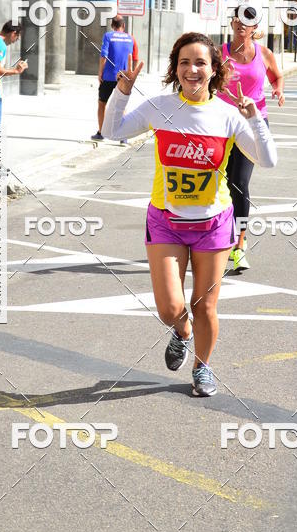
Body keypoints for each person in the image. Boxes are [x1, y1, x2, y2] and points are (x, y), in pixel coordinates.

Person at [102, 32, 277, 397]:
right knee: (170, 308)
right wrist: (122, 92)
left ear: (214, 69)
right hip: (166, 220)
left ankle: (203, 367)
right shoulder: (160, 107)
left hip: (212, 224)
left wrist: (255, 118)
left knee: (205, 305)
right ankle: (181, 332)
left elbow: (268, 160)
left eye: (200, 62)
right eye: (184, 62)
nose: (192, 69)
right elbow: (111, 131)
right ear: (175, 68)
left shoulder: (228, 115)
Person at [218, 4, 284, 272]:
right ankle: (214, 239)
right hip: (220, 124)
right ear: (232, 23)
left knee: (239, 183)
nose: (241, 24)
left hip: (253, 122)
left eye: (248, 21)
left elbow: (277, 77)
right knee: (217, 182)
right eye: (237, 18)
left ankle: (239, 245)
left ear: (255, 28)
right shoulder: (218, 54)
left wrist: (278, 91)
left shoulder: (264, 53)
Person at [92, 15, 139, 141]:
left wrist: (100, 72)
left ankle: (101, 133)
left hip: (108, 76)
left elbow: (104, 55)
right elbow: (135, 58)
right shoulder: (131, 38)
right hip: (123, 76)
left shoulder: (108, 36)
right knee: (121, 104)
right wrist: (131, 74)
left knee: (102, 103)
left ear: (112, 26)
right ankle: (123, 136)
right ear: (123, 26)